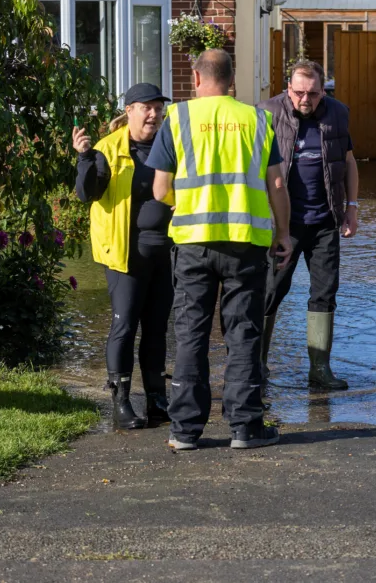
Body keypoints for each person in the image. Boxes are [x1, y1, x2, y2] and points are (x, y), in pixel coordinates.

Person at [148, 49, 292, 450]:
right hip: (246, 245)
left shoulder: (177, 119)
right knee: (243, 332)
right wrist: (284, 233)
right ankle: (245, 427)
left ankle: (184, 432)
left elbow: (160, 189)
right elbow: (276, 185)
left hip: (193, 243)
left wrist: (186, 204)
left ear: (196, 78)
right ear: (233, 78)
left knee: (190, 333)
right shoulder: (258, 119)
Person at [73, 83, 174, 431]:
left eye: (157, 108)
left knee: (158, 328)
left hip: (164, 252)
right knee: (125, 324)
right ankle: (121, 400)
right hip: (124, 252)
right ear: (128, 110)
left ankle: (157, 400)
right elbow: (87, 194)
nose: (153, 114)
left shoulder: (169, 144)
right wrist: (85, 158)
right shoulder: (108, 149)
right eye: (146, 107)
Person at [258, 60, 359, 390]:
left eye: (313, 94)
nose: (305, 99)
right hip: (281, 224)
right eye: (299, 92)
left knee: (325, 293)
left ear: (323, 91)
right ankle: (256, 366)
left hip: (324, 221)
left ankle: (319, 370)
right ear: (288, 89)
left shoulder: (338, 113)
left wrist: (352, 208)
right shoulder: (266, 113)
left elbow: (348, 162)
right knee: (270, 291)